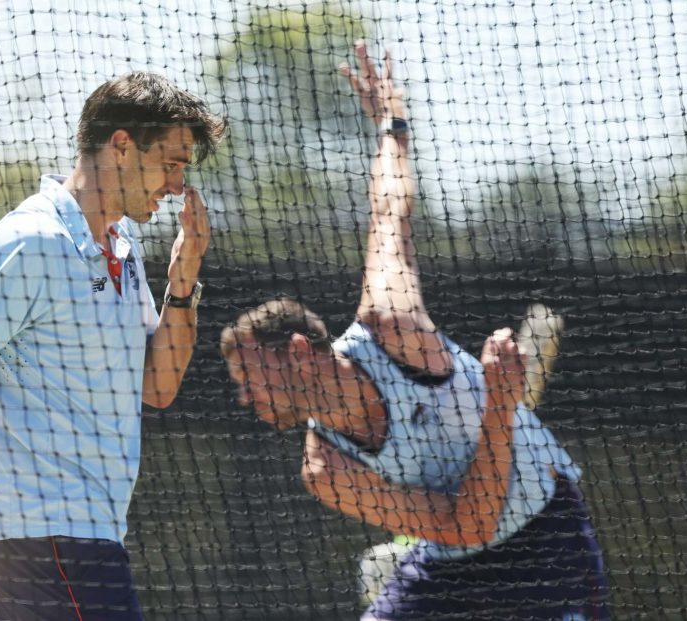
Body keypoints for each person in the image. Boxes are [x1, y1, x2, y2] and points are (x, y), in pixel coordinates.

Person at [220, 41, 609, 620]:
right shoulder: (326, 469)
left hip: (543, 546)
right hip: (450, 562)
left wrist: (392, 125)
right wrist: (499, 409)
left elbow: (389, 215)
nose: (245, 397)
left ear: (300, 352)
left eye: (251, 378)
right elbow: (464, 524)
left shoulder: (392, 326)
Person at [0, 71, 225, 620]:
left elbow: (157, 386)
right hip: (51, 541)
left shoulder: (118, 249)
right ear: (121, 146)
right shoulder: (32, 241)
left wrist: (184, 280)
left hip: (78, 542)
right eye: (170, 163)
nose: (176, 185)